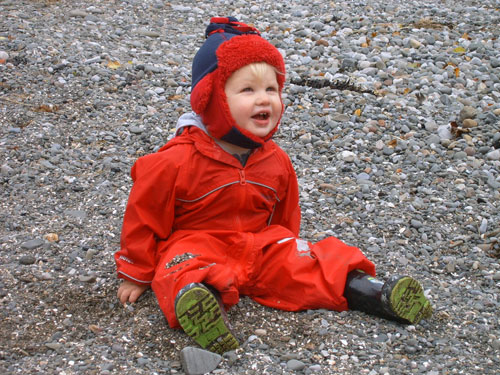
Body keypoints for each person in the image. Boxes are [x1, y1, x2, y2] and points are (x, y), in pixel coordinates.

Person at [115, 17, 432, 355]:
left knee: (316, 260)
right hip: (197, 243)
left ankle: (370, 292)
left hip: (257, 246)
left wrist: (289, 251)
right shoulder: (175, 160)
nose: (264, 99)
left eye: (271, 89)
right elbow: (143, 216)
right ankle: (202, 305)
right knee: (178, 264)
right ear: (211, 98)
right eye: (247, 90)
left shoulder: (275, 159)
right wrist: (135, 272)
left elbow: (285, 213)